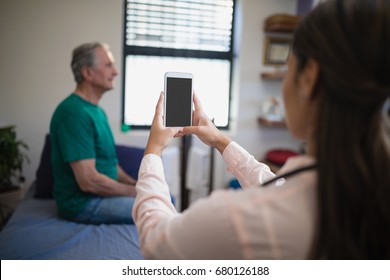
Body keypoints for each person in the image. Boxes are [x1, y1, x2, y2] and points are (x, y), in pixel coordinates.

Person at [133, 0, 390, 259]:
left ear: (309, 77)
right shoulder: (369, 192)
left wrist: (153, 150)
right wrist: (221, 141)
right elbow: (276, 187)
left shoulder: (238, 219)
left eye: (287, 68)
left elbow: (156, 243)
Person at [50, 42, 137, 224]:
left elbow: (110, 163)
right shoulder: (73, 113)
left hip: (103, 196)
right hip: (83, 203)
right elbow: (88, 181)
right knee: (164, 203)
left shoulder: (97, 111)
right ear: (87, 73)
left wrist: (136, 184)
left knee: (162, 198)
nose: (115, 72)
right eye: (108, 65)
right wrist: (135, 192)